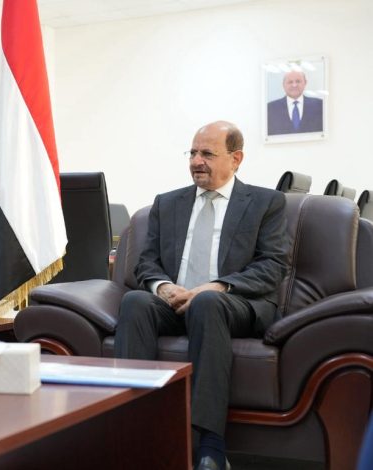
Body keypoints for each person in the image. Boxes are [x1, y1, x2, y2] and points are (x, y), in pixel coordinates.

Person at [113, 121, 289, 470]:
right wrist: (163, 287)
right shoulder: (167, 203)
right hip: (174, 301)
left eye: (207, 153)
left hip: (234, 303)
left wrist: (218, 285)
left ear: (236, 159)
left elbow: (273, 265)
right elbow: (146, 262)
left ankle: (210, 446)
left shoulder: (266, 202)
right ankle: (137, 435)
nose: (196, 161)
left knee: (207, 302)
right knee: (135, 301)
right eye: (193, 153)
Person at [267, 70, 323, 135]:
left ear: (305, 83)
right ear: (283, 85)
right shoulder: (270, 108)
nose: (294, 85)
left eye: (298, 81)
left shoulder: (320, 105)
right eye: (290, 82)